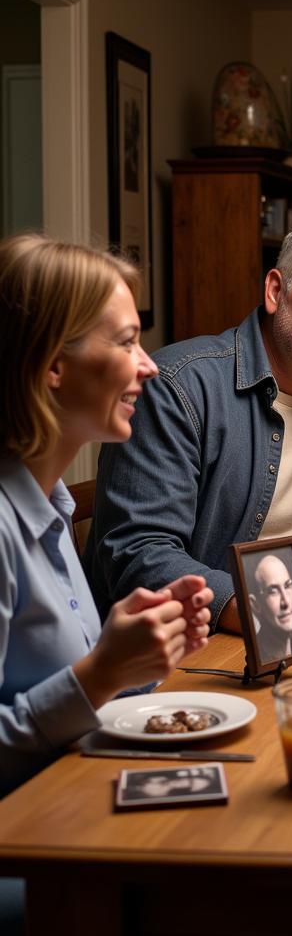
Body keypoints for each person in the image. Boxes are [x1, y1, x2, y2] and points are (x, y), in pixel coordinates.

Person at [84, 216, 292, 640]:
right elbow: (139, 554)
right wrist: (260, 606)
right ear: (276, 291)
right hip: (202, 651)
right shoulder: (177, 386)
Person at [0, 235, 211, 797]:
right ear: (52, 366)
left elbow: (63, 698)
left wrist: (142, 657)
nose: (149, 367)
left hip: (73, 803)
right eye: (126, 343)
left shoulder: (51, 507)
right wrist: (104, 672)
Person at [249, 553, 292, 662]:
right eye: (273, 591)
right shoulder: (259, 654)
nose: (285, 602)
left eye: (287, 586)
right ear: (255, 605)